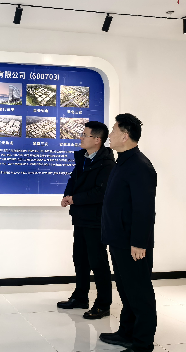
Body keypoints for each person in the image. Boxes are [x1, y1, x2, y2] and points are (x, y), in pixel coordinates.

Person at [99, 114, 157, 352]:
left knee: (139, 292)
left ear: (125, 135)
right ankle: (126, 332)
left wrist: (139, 242)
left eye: (113, 131)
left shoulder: (140, 166)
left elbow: (144, 209)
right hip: (118, 239)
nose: (109, 136)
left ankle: (142, 342)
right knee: (126, 290)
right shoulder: (122, 162)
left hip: (132, 243)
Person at [57, 121, 115, 320]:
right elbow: (73, 180)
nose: (80, 137)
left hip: (95, 219)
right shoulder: (83, 157)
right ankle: (80, 297)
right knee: (80, 259)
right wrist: (67, 196)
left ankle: (103, 303)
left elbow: (101, 192)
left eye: (84, 134)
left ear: (97, 140)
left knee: (98, 262)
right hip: (80, 217)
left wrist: (75, 199)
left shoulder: (107, 163)